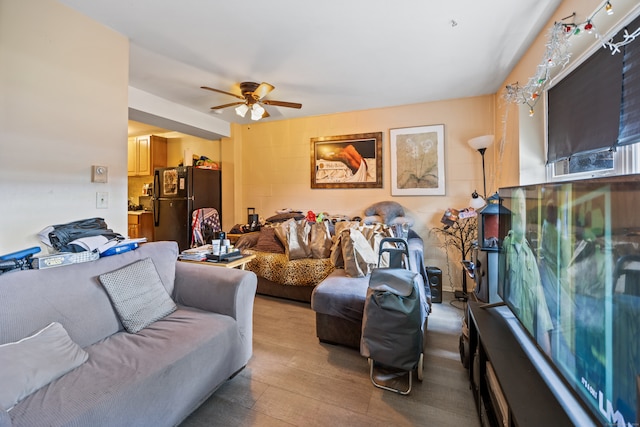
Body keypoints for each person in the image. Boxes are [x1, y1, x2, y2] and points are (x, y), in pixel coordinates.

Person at [499, 188, 553, 354]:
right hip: (515, 334)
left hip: (530, 335)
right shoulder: (508, 246)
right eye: (517, 208)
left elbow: (540, 307)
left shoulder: (529, 251)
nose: (520, 214)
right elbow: (502, 285)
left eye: (522, 208)